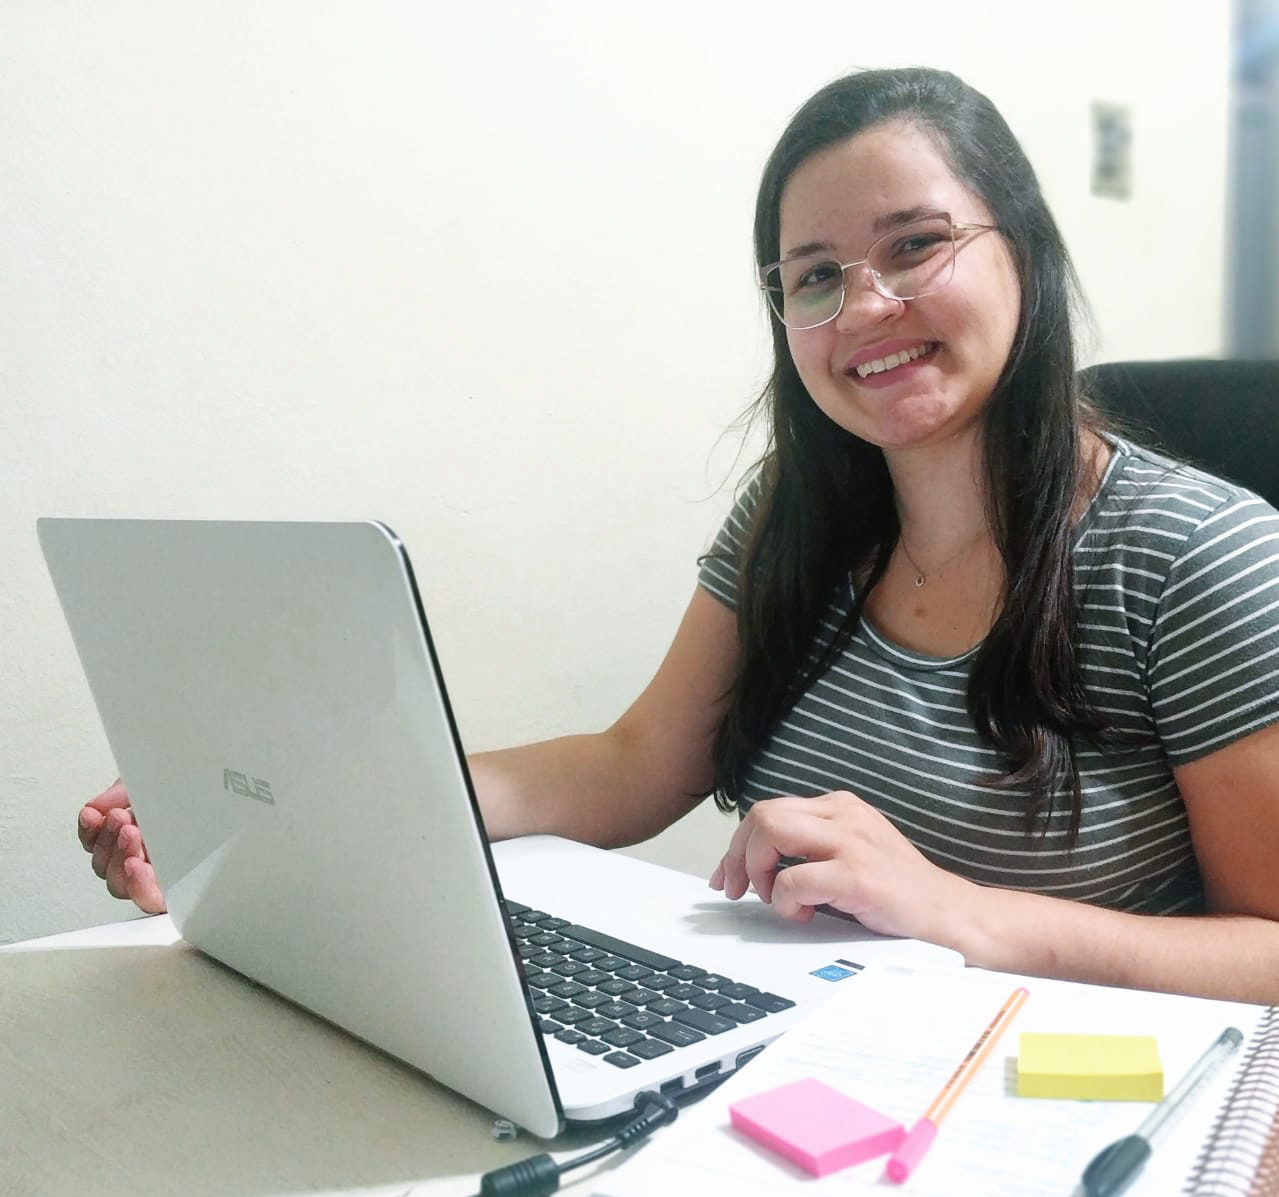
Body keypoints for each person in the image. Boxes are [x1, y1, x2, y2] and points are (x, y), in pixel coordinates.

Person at [78, 67, 1279, 1004]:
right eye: (814, 276)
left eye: (916, 244)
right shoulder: (797, 515)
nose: (863, 305)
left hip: (1046, 1101)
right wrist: (302, 797)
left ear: (1024, 246)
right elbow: (632, 765)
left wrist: (958, 909)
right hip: (797, 1046)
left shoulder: (1196, 555)